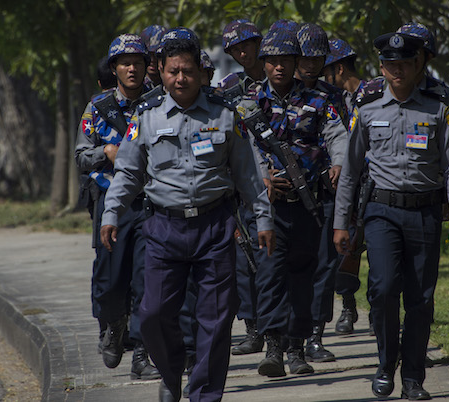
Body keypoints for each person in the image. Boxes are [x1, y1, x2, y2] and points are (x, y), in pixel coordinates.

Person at [99, 27, 275, 402]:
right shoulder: (146, 117)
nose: (180, 78)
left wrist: (263, 219)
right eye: (173, 71)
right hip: (163, 227)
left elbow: (247, 174)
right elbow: (128, 173)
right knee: (152, 315)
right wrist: (111, 213)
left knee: (215, 319)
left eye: (188, 71)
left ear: (200, 72)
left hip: (215, 227)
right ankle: (172, 369)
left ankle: (204, 395)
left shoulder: (225, 115)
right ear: (161, 71)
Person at [333, 32, 449, 401]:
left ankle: (412, 379)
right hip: (381, 212)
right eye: (391, 64)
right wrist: (341, 222)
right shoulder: (368, 108)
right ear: (381, 68)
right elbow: (351, 170)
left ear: (416, 65)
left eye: (405, 63)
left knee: (420, 299)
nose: (398, 71)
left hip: (425, 212)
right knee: (383, 288)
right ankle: (385, 363)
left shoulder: (438, 108)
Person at [243, 20, 347, 378]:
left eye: (286, 60)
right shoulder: (248, 103)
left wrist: (338, 163)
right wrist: (262, 178)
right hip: (267, 207)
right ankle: (273, 347)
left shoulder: (319, 100)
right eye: (273, 60)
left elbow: (337, 135)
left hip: (308, 205)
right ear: (264, 62)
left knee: (304, 276)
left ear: (295, 61)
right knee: (270, 276)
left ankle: (297, 349)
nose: (279, 67)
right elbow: (244, 147)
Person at [74, 33, 161, 381]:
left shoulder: (159, 103)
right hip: (111, 205)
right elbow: (81, 155)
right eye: (125, 63)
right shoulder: (98, 108)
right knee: (110, 282)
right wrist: (106, 152)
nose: (132, 69)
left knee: (145, 281)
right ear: (114, 68)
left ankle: (142, 353)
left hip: (151, 203)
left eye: (138, 63)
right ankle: (113, 325)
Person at [294, 22, 347, 363]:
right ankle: (287, 339)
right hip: (289, 194)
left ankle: (315, 335)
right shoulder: (281, 93)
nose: (311, 64)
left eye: (317, 58)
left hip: (326, 192)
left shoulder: (333, 96)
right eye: (305, 57)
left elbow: (345, 136)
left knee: (325, 265)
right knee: (292, 266)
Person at [217, 18, 269, 357]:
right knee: (245, 261)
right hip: (245, 186)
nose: (242, 52)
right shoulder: (229, 88)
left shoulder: (283, 79)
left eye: (247, 44)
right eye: (235, 49)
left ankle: (294, 331)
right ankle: (253, 328)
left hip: (287, 182)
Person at [321, 37, 367, 336]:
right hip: (346, 187)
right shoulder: (337, 101)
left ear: (339, 69)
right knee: (345, 251)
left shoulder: (372, 95)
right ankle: (348, 307)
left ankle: (379, 310)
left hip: (373, 184)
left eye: (326, 72)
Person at [141, 24, 170, 89]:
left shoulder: (174, 83)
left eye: (157, 55)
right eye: (148, 54)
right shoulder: (136, 86)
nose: (152, 60)